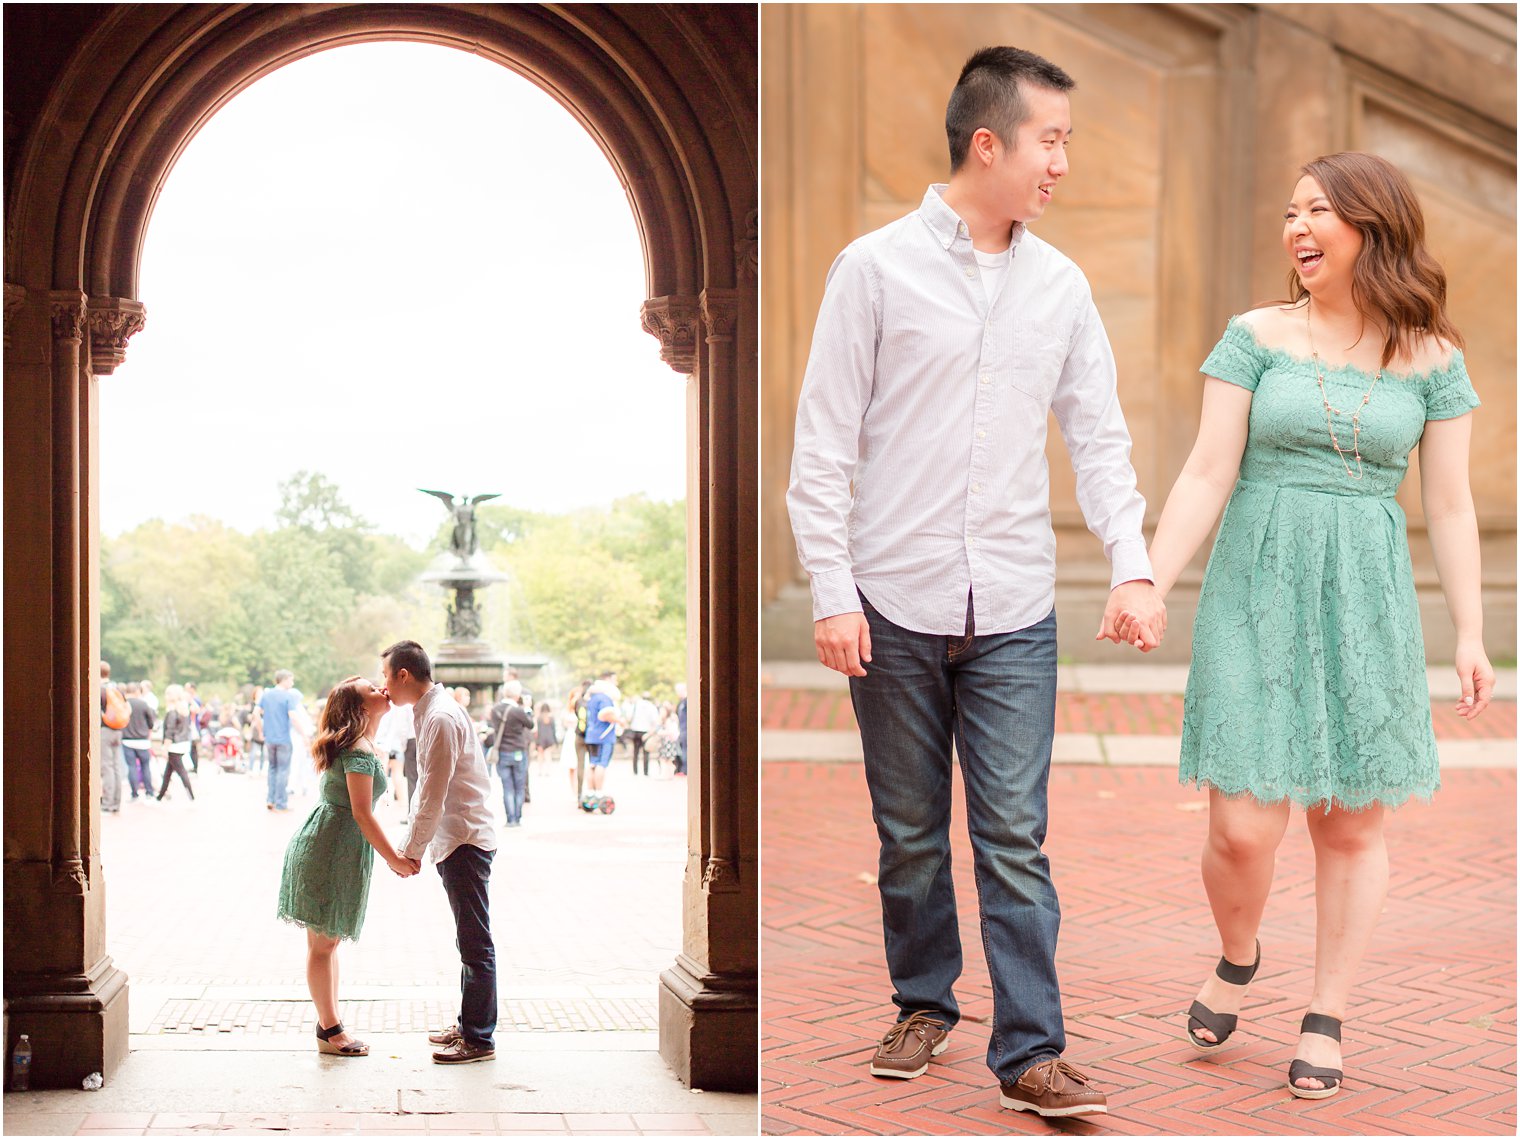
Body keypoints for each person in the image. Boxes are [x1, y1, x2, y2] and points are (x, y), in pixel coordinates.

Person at [786, 46, 1168, 1118]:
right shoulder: (872, 268)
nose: (1060, 163)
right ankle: (921, 998)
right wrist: (830, 588)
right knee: (907, 833)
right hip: (892, 604)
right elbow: (823, 445)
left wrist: (1130, 565)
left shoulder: (1060, 286)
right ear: (986, 142)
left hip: (1011, 608)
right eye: (1049, 140)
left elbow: (1098, 439)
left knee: (1010, 833)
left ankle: (1031, 1048)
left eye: (1066, 143)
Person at [1120, 151, 1494, 1102]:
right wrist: (1150, 580)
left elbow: (1449, 508)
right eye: (1291, 212)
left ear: (1373, 225)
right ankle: (1238, 954)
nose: (1297, 228)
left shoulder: (1433, 357)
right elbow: (1208, 471)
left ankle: (1326, 1012)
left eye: (1319, 210)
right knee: (1243, 826)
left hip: (1367, 598)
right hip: (1254, 586)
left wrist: (1470, 634)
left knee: (1351, 823)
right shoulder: (1254, 335)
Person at [276, 676, 418, 1057]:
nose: (381, 689)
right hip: (330, 847)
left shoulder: (363, 744)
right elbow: (362, 813)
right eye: (371, 689)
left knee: (327, 942)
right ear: (359, 708)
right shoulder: (357, 749)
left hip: (333, 845)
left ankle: (330, 1025)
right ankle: (330, 1030)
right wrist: (396, 859)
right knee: (323, 945)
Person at [382, 639, 499, 1065]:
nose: (384, 687)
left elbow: (433, 791)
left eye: (386, 676)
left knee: (475, 941)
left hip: (465, 839)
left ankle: (479, 1038)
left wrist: (410, 850)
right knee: (468, 938)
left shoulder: (441, 717)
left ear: (404, 675)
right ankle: (470, 1025)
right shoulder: (434, 711)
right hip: (458, 839)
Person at [487, 681, 534, 827]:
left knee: (507, 787)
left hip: (502, 751)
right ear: (517, 694)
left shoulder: (495, 710)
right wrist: (527, 709)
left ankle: (510, 819)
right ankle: (517, 818)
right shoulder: (518, 710)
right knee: (519, 786)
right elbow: (530, 725)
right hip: (518, 750)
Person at [260, 669, 304, 812]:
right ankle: (281, 803)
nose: (292, 683)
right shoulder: (287, 696)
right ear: (284, 680)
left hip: (270, 738)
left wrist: (262, 732)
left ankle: (270, 799)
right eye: (291, 680)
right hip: (283, 738)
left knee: (272, 768)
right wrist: (303, 733)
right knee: (283, 770)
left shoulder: (266, 695)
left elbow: (256, 713)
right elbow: (293, 716)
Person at [581, 672, 622, 801]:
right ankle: (598, 792)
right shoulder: (605, 698)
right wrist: (620, 721)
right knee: (601, 765)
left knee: (592, 763)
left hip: (591, 736)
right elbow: (605, 714)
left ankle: (590, 791)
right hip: (604, 736)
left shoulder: (592, 698)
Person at [157, 684, 197, 802]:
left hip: (174, 746)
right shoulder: (184, 710)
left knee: (180, 772)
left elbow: (169, 732)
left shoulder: (172, 712)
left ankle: (191, 796)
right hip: (182, 743)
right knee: (168, 772)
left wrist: (165, 748)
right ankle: (160, 796)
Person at [120, 682, 156, 803]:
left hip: (127, 740)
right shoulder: (143, 704)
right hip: (143, 741)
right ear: (137, 692)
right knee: (146, 766)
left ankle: (134, 793)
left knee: (132, 767)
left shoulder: (123, 705)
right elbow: (151, 723)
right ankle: (149, 792)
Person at [99, 662, 126, 814]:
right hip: (118, 730)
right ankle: (116, 801)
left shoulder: (100, 690)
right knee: (116, 766)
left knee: (106, 766)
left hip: (105, 731)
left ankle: (107, 803)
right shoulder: (117, 689)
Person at [626, 691, 660, 777]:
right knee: (646, 752)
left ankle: (635, 771)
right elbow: (655, 721)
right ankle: (645, 771)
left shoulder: (635, 705)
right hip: (646, 731)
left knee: (636, 752)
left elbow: (629, 717)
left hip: (636, 730)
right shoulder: (652, 707)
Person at [674, 682, 688, 777]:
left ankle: (685, 769)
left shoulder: (686, 702)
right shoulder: (681, 703)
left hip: (686, 730)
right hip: (682, 730)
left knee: (686, 751)